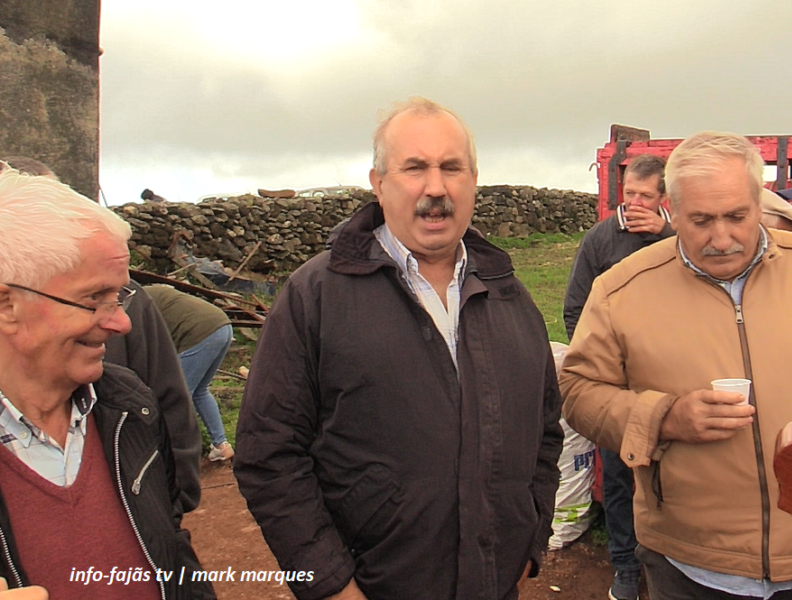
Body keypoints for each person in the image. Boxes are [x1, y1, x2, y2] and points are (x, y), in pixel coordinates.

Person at [234, 97, 563, 600]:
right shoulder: (315, 296)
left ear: (473, 180)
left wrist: (530, 543)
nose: (436, 188)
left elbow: (543, 433)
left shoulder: (509, 295)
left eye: (452, 168)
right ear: (379, 183)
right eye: (415, 168)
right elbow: (269, 453)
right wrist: (330, 584)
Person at [560, 131, 792, 600]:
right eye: (701, 220)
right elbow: (579, 391)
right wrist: (662, 417)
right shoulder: (621, 290)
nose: (721, 238)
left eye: (737, 217)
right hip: (690, 564)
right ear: (672, 211)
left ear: (759, 201)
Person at [0, 168, 214, 599]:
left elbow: (170, 546)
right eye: (93, 299)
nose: (121, 322)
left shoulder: (129, 406)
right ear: (7, 304)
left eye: (119, 296)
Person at [563, 153, 673, 600]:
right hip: (616, 384)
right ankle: (626, 566)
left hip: (673, 379)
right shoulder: (600, 240)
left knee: (674, 474)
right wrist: (601, 370)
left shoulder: (682, 237)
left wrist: (667, 235)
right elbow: (575, 308)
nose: (636, 204)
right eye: (630, 194)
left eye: (646, 196)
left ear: (664, 197)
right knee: (621, 475)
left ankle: (671, 562)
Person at [144, 285, 235, 461]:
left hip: (200, 332)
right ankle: (221, 445)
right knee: (200, 391)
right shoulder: (154, 293)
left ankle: (177, 452)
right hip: (222, 325)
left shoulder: (136, 303)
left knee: (177, 395)